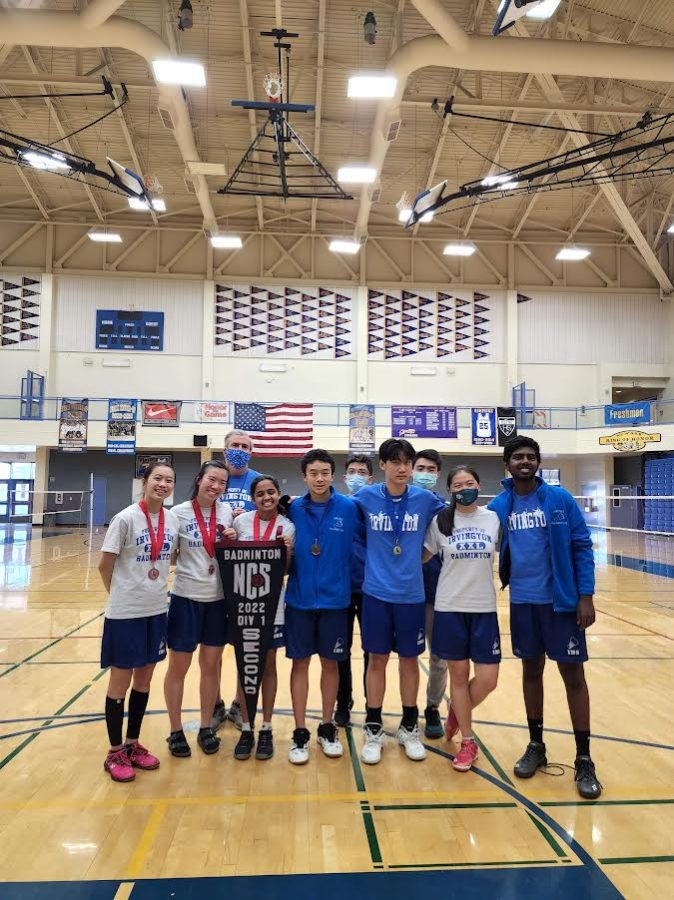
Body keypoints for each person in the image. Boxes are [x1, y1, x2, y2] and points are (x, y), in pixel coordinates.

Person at [488, 436, 601, 799]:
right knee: (531, 671)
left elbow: (582, 546)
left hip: (562, 604)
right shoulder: (500, 504)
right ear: (507, 465)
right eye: (518, 457)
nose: (525, 461)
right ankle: (536, 745)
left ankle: (584, 757)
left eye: (530, 457)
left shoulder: (559, 499)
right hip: (523, 603)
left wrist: (585, 596)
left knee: (574, 677)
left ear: (537, 463)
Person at [352, 438, 445, 765]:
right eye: (396, 462)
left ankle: (409, 726)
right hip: (375, 594)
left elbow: (454, 520)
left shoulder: (425, 499)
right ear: (383, 465)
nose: (403, 468)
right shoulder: (364, 496)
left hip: (411, 595)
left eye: (408, 462)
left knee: (409, 661)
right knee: (376, 660)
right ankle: (374, 726)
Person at [97, 462, 179, 783]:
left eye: (169, 480)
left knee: (143, 682)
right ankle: (114, 751)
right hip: (125, 614)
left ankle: (132, 745)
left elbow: (171, 557)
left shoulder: (172, 520)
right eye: (157, 478)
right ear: (144, 482)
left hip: (156, 611)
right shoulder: (125, 518)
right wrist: (120, 596)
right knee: (120, 683)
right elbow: (105, 566)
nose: (162, 484)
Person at [423, 466, 501, 772]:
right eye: (458, 485)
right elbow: (422, 557)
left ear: (479, 485)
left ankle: (456, 711)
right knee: (457, 676)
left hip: (484, 609)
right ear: (450, 490)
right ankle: (468, 741)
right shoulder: (440, 521)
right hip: (449, 607)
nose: (464, 488)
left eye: (469, 482)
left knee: (488, 680)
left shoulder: (493, 519)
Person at [285, 449, 359, 764]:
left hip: (335, 601)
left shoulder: (350, 507)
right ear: (305, 476)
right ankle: (300, 731)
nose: (319, 478)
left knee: (331, 665)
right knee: (299, 664)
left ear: (333, 475)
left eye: (325, 472)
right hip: (299, 600)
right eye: (313, 473)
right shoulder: (291, 509)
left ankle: (327, 726)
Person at [163, 461, 236, 758]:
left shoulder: (228, 512)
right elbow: (170, 555)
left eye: (222, 482)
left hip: (217, 601)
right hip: (185, 599)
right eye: (212, 480)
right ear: (199, 479)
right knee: (178, 668)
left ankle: (206, 727)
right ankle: (175, 730)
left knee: (210, 668)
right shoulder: (177, 513)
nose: (216, 486)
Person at [231, 475, 295, 762]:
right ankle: (246, 727)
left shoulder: (287, 526)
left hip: (273, 604)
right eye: (260, 494)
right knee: (246, 667)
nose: (266, 497)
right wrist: (228, 540)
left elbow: (288, 569)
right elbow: (231, 560)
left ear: (278, 495)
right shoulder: (241, 523)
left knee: (268, 665)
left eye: (271, 492)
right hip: (243, 604)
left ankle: (266, 727)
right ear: (253, 497)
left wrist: (288, 551)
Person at [212, 429, 261, 731]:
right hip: (215, 573)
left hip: (249, 571)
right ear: (225, 449)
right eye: (234, 446)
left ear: (251, 451)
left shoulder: (258, 482)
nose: (239, 450)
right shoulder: (214, 477)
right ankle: (215, 703)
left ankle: (238, 703)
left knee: (246, 646)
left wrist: (249, 514)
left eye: (245, 446)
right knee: (214, 647)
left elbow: (269, 515)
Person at [411, 449, 447, 740]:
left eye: (431, 469)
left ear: (437, 474)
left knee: (439, 656)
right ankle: (406, 708)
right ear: (411, 470)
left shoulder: (446, 511)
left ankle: (432, 708)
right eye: (420, 467)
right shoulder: (399, 504)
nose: (425, 472)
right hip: (405, 593)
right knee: (405, 656)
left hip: (439, 594)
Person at [335, 454, 373, 726]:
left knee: (373, 649)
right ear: (345, 478)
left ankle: (374, 702)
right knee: (341, 650)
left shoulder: (376, 507)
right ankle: (343, 701)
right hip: (341, 589)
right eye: (352, 471)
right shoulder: (337, 506)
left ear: (370, 479)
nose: (357, 475)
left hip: (372, 588)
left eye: (362, 471)